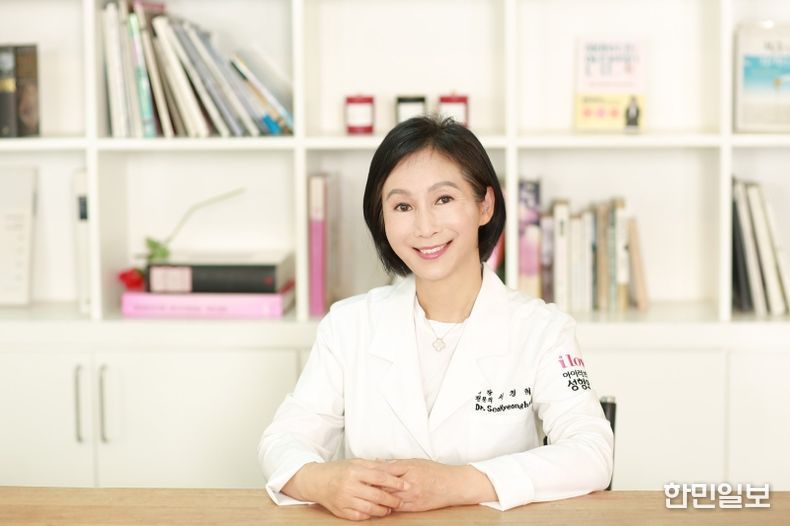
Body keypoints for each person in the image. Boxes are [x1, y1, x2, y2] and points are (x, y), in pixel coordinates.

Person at [259, 116, 614, 520]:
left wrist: (457, 484)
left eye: (443, 199)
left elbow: (592, 453)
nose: (425, 227)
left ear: (485, 205)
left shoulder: (542, 330)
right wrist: (321, 481)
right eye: (403, 206)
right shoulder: (348, 326)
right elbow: (282, 440)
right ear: (382, 220)